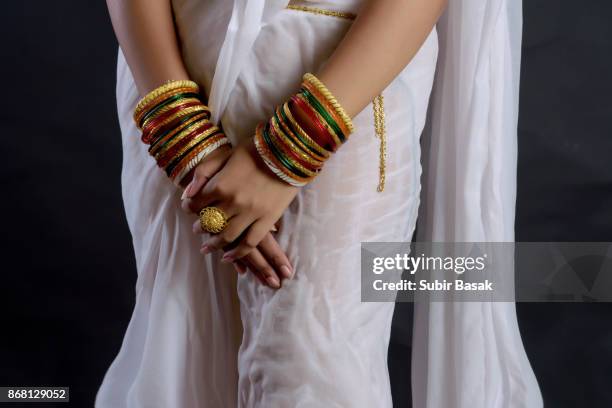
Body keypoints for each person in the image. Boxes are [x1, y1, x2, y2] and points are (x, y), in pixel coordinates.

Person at [97, 0, 543, 407]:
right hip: (172, 70)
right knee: (178, 351)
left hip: (346, 71)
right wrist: (185, 137)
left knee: (309, 367)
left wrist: (287, 153)